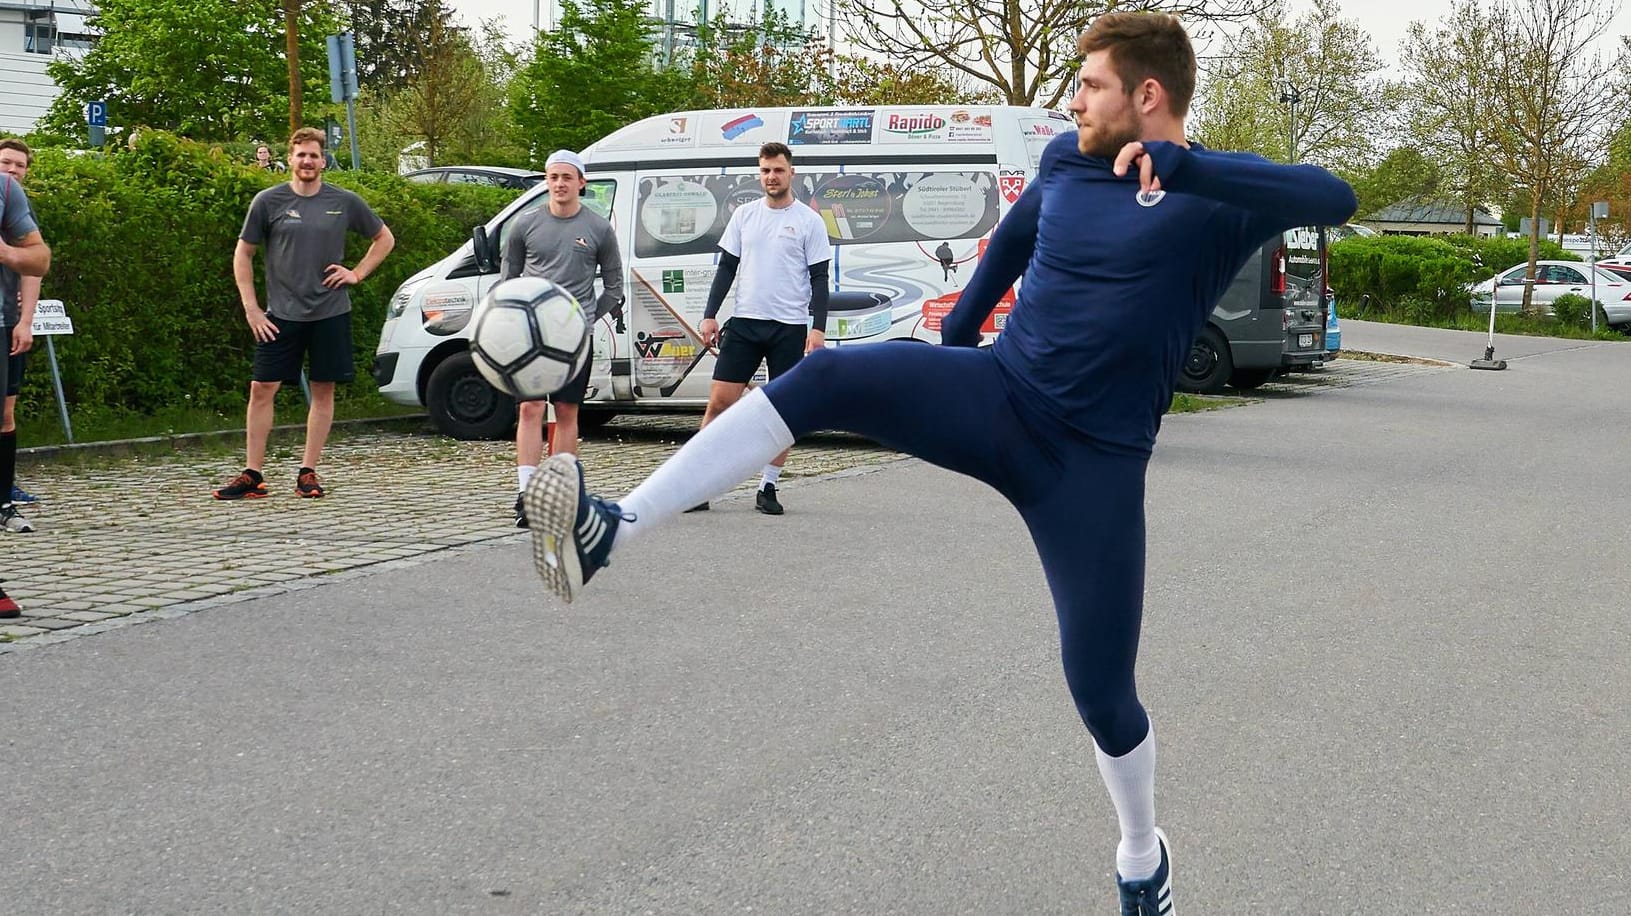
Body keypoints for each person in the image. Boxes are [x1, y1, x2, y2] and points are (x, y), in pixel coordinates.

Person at [524, 12, 1357, 914]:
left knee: (1100, 690)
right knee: (831, 373)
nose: (1073, 100)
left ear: (1145, 96)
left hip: (1093, 469)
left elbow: (1333, 195)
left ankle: (1139, 851)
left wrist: (1188, 166)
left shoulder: (1219, 197)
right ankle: (611, 528)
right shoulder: (1066, 164)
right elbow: (1008, 251)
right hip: (1000, 398)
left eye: (1091, 85)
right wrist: (951, 357)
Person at [213, 127, 395, 500]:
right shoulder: (268, 201)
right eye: (301, 155)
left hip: (330, 311)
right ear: (290, 159)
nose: (308, 161)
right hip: (280, 314)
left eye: (314, 155)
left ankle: (308, 472)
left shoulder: (344, 201)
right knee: (262, 389)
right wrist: (251, 309)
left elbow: (384, 239)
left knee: (323, 390)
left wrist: (356, 273)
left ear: (323, 160)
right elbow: (243, 254)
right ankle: (253, 475)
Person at [686, 141, 831, 515]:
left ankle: (768, 487)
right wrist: (709, 314)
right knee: (719, 403)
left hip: (789, 327)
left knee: (783, 411)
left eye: (778, 170)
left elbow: (819, 279)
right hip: (746, 324)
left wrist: (817, 329)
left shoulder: (808, 221)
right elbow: (726, 268)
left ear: (791, 173)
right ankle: (698, 484)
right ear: (759, 173)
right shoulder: (744, 216)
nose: (772, 177)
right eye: (765, 170)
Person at [501, 149, 624, 528]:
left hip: (574, 339)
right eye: (553, 177)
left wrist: (587, 317)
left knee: (568, 412)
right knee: (530, 409)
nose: (560, 184)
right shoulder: (525, 224)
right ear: (546, 180)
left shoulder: (598, 228)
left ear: (581, 183)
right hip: (534, 337)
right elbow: (508, 280)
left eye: (567, 178)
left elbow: (615, 287)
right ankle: (526, 493)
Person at [0, 148, 50, 538]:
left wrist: (26, 320)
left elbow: (35, 267)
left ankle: (4, 496)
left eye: (20, 164)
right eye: (6, 163)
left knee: (6, 412)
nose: (13, 170)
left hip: (7, 321)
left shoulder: (13, 203)